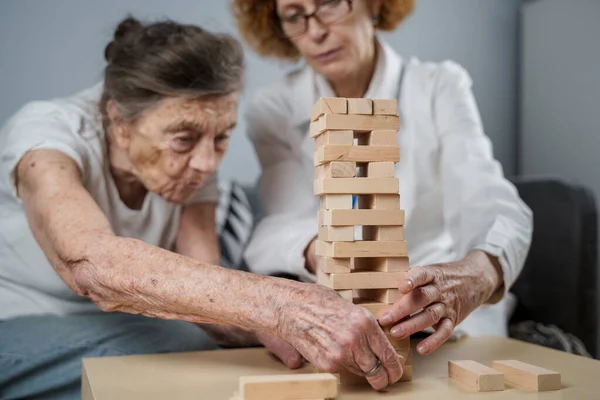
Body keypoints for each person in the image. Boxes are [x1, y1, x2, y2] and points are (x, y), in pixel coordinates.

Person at [0, 17, 405, 398]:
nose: (207, 164)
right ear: (119, 121)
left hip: (127, 317)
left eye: (222, 137)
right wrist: (286, 306)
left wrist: (289, 331)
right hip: (21, 318)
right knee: (181, 348)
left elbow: (207, 296)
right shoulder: (46, 136)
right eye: (183, 139)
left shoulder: (198, 151)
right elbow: (91, 265)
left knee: (225, 351)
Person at [233, 0, 533, 359]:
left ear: (374, 5)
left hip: (441, 307)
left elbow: (484, 196)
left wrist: (478, 273)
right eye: (294, 16)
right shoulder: (274, 107)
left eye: (329, 4)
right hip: (342, 312)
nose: (315, 31)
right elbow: (284, 221)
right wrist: (327, 254)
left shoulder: (439, 85)